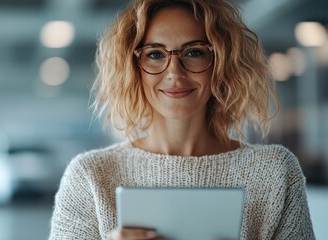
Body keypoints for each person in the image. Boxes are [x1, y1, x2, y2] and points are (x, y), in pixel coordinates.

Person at [49, 0, 315, 239]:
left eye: (194, 52)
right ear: (133, 68)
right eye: (155, 54)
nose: (174, 72)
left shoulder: (276, 173)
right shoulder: (90, 177)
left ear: (221, 62)